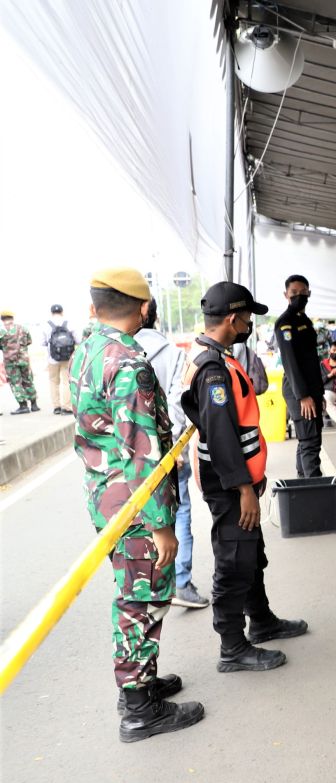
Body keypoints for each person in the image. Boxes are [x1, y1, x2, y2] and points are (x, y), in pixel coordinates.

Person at [72, 267, 204, 742]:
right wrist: (162, 524)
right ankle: (137, 709)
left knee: (136, 593)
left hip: (104, 498)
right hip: (134, 506)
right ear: (144, 307)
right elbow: (141, 451)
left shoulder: (87, 350)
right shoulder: (128, 361)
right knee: (141, 599)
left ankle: (142, 685)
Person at [182, 281, 308, 673]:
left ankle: (262, 621)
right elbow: (220, 436)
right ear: (234, 318)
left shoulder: (217, 356)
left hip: (240, 483)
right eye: (248, 315)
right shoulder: (213, 369)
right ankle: (232, 647)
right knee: (234, 561)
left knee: (251, 555)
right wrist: (243, 491)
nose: (251, 322)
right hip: (231, 487)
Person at [134, 299, 210, 610]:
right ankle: (181, 582)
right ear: (153, 314)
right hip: (170, 455)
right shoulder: (172, 352)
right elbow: (179, 404)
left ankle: (147, 584)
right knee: (179, 513)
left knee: (139, 520)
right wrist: (173, 446)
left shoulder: (110, 353)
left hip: (133, 460)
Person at [275, 275, 324, 477]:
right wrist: (303, 396)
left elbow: (312, 361)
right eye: (294, 293)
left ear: (309, 294)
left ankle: (303, 486)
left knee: (308, 440)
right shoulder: (285, 323)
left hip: (311, 389)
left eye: (303, 292)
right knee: (310, 441)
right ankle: (315, 490)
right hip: (299, 390)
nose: (299, 296)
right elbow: (290, 362)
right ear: (286, 295)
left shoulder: (304, 320)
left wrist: (318, 393)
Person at [43, 303, 79, 414]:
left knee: (53, 381)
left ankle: (56, 407)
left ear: (51, 312)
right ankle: (66, 407)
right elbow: (78, 340)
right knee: (66, 382)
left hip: (52, 359)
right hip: (67, 358)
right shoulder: (69, 323)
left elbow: (42, 342)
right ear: (62, 312)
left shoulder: (46, 325)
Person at [1, 310, 39, 414]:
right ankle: (34, 404)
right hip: (24, 358)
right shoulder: (22, 328)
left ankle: (23, 406)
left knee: (15, 382)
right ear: (12, 317)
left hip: (10, 361)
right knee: (28, 379)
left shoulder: (1, 330)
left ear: (2, 318)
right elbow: (29, 341)